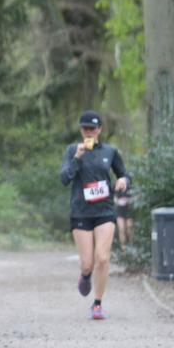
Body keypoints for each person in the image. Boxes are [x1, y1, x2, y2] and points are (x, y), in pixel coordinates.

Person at [60, 110, 130, 320]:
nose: (88, 132)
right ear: (81, 130)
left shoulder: (110, 151)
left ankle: (97, 304)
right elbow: (64, 178)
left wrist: (124, 181)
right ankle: (85, 274)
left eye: (92, 128)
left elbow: (124, 173)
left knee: (103, 258)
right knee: (88, 263)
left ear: (99, 130)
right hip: (81, 212)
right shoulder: (73, 150)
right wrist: (77, 158)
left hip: (105, 211)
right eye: (85, 129)